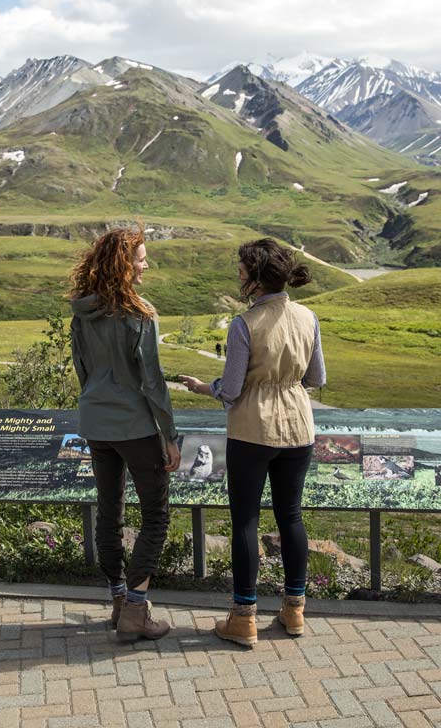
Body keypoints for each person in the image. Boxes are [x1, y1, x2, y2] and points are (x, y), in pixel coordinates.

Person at [180, 238, 326, 647]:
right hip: (299, 427)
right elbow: (316, 379)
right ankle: (294, 610)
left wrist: (200, 387)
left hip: (252, 430)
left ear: (257, 277)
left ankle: (243, 617)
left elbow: (230, 390)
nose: (239, 274)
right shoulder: (308, 317)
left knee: (246, 520)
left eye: (243, 269)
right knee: (291, 516)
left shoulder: (244, 324)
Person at [70, 225, 181, 641]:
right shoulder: (140, 313)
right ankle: (137, 609)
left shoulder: (81, 311)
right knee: (156, 515)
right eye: (140, 259)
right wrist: (167, 434)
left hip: (95, 422)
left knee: (109, 512)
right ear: (123, 264)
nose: (146, 265)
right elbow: (152, 382)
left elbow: (82, 369)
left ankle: (118, 601)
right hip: (134, 425)